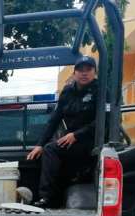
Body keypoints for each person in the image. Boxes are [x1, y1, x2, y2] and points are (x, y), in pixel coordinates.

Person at [27, 55, 99, 208]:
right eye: (80, 70)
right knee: (43, 152)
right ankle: (53, 198)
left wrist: (76, 135)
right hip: (71, 140)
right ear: (74, 73)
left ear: (94, 72)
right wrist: (39, 144)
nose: (84, 73)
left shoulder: (101, 89)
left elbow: (104, 121)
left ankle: (47, 198)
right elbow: (54, 119)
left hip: (92, 140)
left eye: (88, 69)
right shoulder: (67, 92)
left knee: (51, 150)